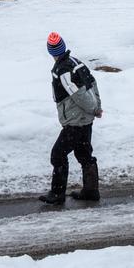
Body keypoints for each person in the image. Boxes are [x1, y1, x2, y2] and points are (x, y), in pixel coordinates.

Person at [39, 32, 104, 204]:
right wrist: (96, 106)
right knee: (84, 154)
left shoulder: (63, 70)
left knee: (57, 155)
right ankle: (91, 191)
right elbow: (92, 84)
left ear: (50, 51)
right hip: (85, 118)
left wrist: (94, 109)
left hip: (76, 121)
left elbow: (78, 94)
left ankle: (57, 194)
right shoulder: (76, 62)